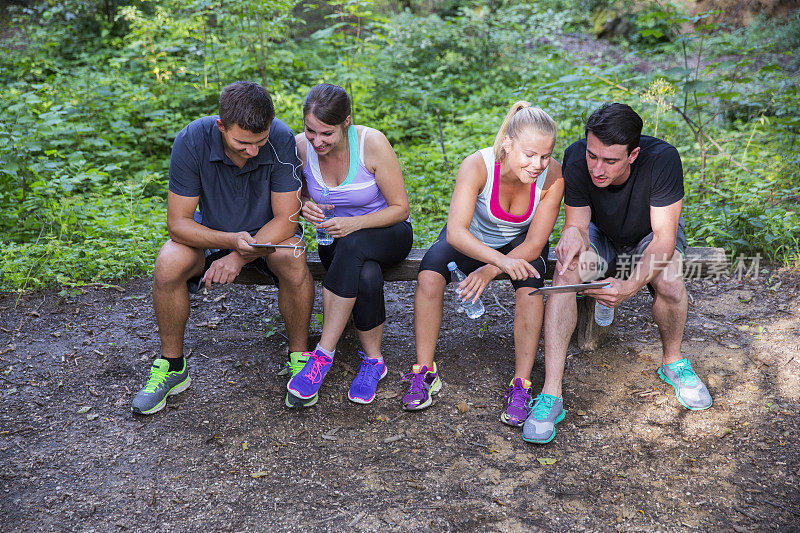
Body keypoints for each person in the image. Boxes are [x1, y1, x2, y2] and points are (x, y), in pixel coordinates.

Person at [523, 103, 712, 444]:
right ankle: (551, 394)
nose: (597, 167)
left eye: (609, 161)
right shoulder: (578, 156)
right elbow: (579, 223)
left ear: (633, 154)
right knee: (566, 273)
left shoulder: (662, 159)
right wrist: (572, 234)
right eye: (593, 156)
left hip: (648, 236)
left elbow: (664, 238)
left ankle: (673, 363)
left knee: (668, 279)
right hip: (603, 234)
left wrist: (629, 285)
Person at [132, 81, 314, 415]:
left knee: (294, 255)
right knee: (168, 261)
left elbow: (287, 218)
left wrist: (240, 255)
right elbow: (178, 224)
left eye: (260, 141)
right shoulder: (192, 140)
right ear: (221, 126)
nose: (253, 151)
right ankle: (172, 366)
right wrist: (230, 242)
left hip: (269, 236)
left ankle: (301, 361)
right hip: (213, 234)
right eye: (243, 142)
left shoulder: (282, 138)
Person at [403, 101, 563, 429]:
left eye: (545, 156)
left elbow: (534, 245)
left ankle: (521, 385)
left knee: (531, 290)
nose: (538, 164)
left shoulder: (553, 175)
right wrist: (496, 260)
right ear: (508, 143)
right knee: (429, 276)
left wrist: (492, 269)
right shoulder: (478, 166)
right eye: (530, 154)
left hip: (521, 245)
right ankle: (424, 372)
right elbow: (456, 233)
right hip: (473, 240)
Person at [286, 83, 412, 407]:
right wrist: (303, 206)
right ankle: (374, 363)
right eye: (311, 131)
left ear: (346, 122)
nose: (317, 141)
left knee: (355, 245)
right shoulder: (300, 148)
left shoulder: (372, 143)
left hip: (388, 234)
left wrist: (355, 223)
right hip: (334, 241)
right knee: (366, 275)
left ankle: (322, 356)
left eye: (326, 133)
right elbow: (292, 197)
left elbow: (400, 208)